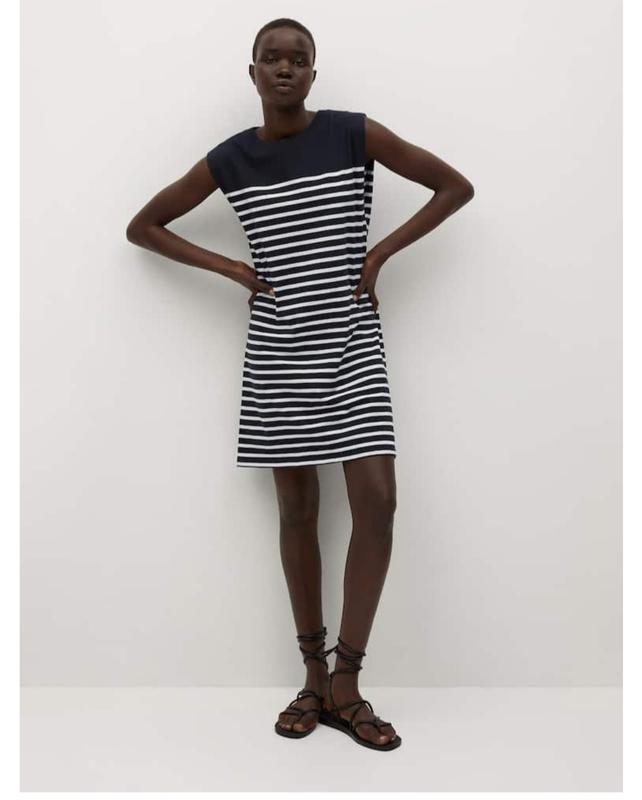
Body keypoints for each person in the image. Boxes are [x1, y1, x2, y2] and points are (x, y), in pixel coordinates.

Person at [126, 17, 474, 752]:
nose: (285, 68)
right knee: (297, 509)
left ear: (314, 73)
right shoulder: (231, 158)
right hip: (278, 348)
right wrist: (234, 268)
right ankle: (312, 677)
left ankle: (347, 683)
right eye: (272, 58)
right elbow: (145, 225)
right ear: (252, 71)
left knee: (377, 500)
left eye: (299, 59)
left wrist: (378, 255)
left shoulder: (352, 134)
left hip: (351, 342)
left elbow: (454, 186)